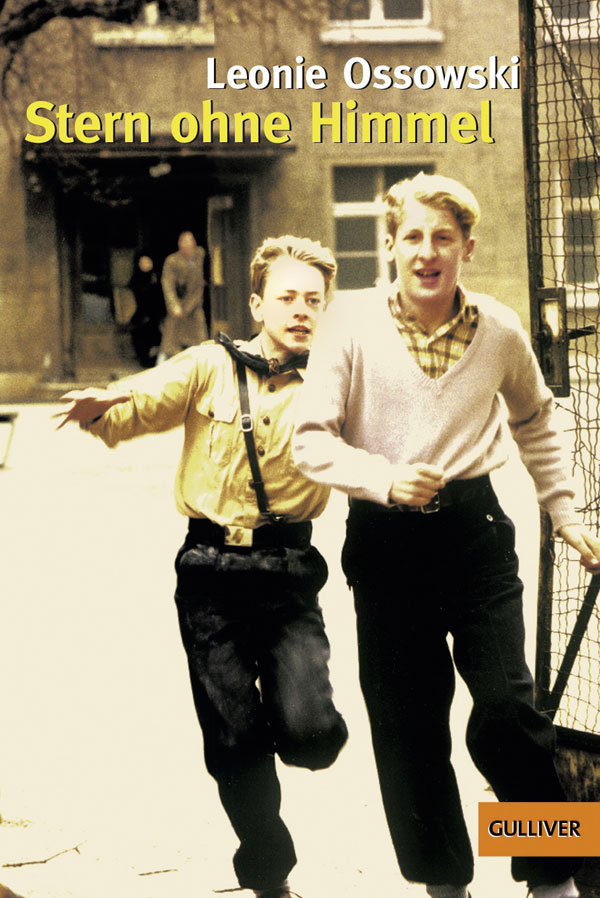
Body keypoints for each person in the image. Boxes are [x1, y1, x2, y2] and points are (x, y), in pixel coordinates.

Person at [292, 172, 600, 898]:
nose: (426, 252)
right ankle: (445, 885)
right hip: (384, 543)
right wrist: (381, 477)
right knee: (408, 726)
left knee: (506, 713)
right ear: (390, 246)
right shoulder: (349, 324)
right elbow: (309, 440)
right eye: (412, 237)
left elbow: (535, 420)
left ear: (467, 247)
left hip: (474, 535)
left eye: (443, 238)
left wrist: (566, 512)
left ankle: (551, 876)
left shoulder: (500, 329)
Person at [55, 235, 348, 898]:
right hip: (210, 574)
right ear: (258, 303)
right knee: (233, 743)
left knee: (313, 736)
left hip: (289, 573)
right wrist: (104, 406)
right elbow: (148, 397)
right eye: (287, 297)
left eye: (313, 300)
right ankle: (270, 876)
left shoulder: (338, 383)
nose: (301, 309)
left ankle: (277, 721)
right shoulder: (211, 365)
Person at [158, 230, 209, 362]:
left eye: (190, 241)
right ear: (179, 244)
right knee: (170, 341)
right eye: (184, 241)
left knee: (200, 340)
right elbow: (167, 284)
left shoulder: (200, 255)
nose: (187, 245)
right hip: (179, 304)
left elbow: (201, 283)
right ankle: (162, 365)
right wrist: (174, 305)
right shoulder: (172, 260)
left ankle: (201, 366)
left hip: (195, 303)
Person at [128, 252, 166, 367]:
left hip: (156, 314)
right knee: (140, 336)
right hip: (142, 313)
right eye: (142, 263)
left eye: (147, 262)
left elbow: (160, 297)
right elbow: (138, 298)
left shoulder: (157, 278)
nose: (145, 265)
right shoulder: (136, 279)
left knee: (156, 338)